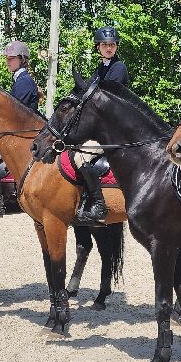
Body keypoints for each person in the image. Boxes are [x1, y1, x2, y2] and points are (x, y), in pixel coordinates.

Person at [0, 41, 39, 217]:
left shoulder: (24, 81)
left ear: (22, 59)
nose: (8, 61)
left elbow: (14, 114)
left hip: (19, 134)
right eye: (7, 58)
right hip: (16, 131)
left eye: (11, 58)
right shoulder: (20, 80)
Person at [74, 27, 128, 224]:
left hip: (114, 129)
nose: (108, 48)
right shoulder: (101, 68)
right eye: (105, 45)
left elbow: (101, 97)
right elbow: (87, 92)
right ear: (98, 47)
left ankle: (98, 204)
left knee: (81, 157)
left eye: (112, 45)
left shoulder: (118, 68)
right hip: (102, 128)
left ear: (116, 47)